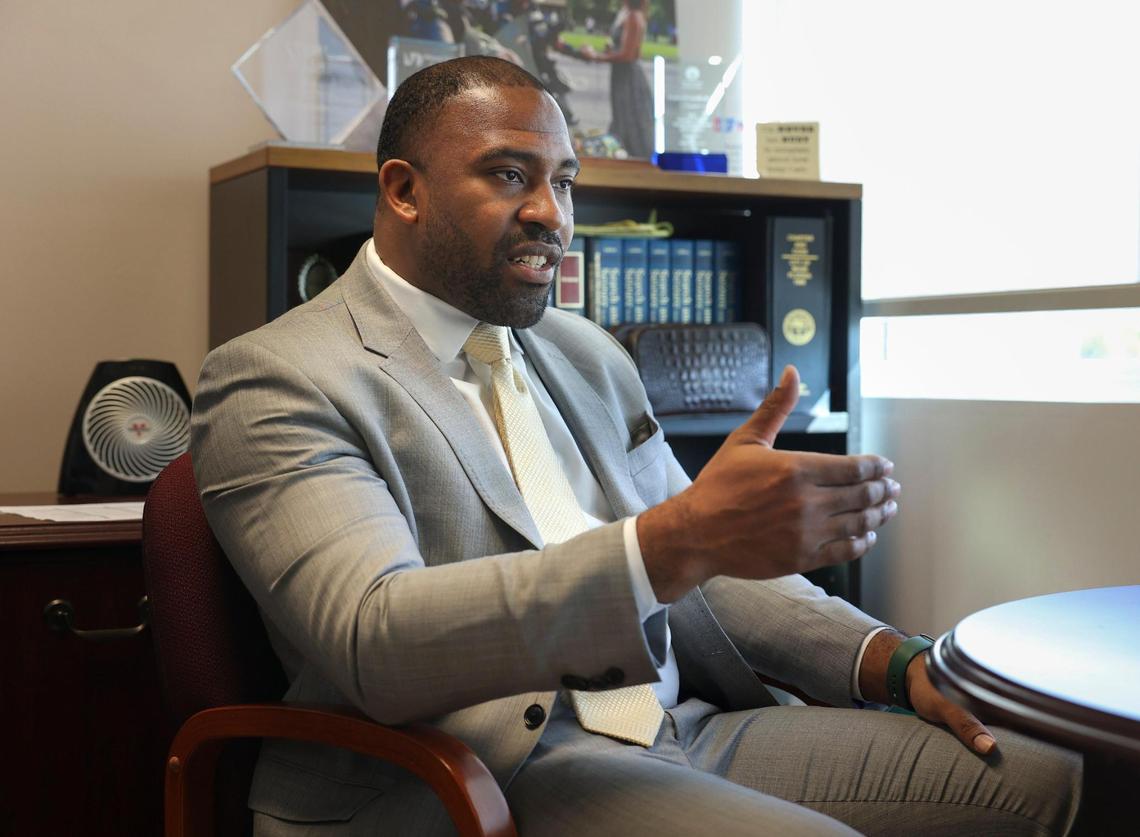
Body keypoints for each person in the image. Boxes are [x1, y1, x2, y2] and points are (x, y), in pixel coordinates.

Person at [191, 56, 1081, 835]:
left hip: (681, 727)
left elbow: (706, 564)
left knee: (1059, 780)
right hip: (477, 769)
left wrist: (891, 660)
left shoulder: (585, 352)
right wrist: (673, 541)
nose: (551, 213)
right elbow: (374, 640)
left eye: (565, 181)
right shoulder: (279, 376)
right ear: (403, 190)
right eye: (509, 175)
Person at [580, 0, 654, 158]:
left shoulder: (634, 16)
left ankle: (636, 160)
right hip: (620, 76)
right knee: (622, 118)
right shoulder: (626, 13)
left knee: (631, 121)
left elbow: (629, 55)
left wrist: (595, 56)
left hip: (629, 79)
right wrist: (610, 50)